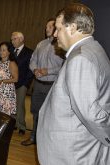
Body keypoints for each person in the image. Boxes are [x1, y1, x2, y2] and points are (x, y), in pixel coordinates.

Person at [37, 3, 110, 164]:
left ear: (72, 28)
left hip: (73, 153)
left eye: (58, 28)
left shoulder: (81, 58)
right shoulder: (93, 50)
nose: (55, 34)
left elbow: (90, 113)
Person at [21, 18, 64, 146]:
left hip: (53, 86)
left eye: (49, 27)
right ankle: (34, 137)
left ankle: (47, 141)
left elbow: (65, 66)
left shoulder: (61, 46)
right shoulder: (41, 44)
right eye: (46, 27)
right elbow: (32, 60)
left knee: (51, 114)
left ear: (56, 28)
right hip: (38, 85)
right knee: (36, 112)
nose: (46, 29)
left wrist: (48, 71)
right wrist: (35, 70)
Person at [10, 32, 33, 135]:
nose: (12, 41)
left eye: (14, 39)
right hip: (10, 82)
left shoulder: (29, 52)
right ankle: (13, 124)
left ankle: (22, 126)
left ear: (21, 39)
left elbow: (30, 69)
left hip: (22, 83)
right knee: (11, 104)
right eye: (11, 39)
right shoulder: (10, 51)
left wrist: (26, 84)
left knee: (20, 105)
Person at [0, 41, 18, 116]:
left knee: (3, 116)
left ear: (9, 52)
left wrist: (1, 81)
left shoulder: (11, 63)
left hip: (6, 93)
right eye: (0, 50)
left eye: (4, 50)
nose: (1, 52)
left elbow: (16, 79)